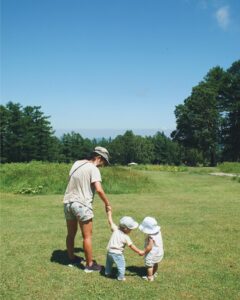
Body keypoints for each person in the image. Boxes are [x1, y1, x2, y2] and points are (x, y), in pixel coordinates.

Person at [63, 146, 112, 272]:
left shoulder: (76, 164)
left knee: (71, 233)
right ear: (98, 157)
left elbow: (70, 180)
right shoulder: (93, 168)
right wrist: (107, 203)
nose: (103, 165)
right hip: (82, 204)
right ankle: (89, 265)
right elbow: (99, 189)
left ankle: (71, 258)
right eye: (104, 162)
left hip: (68, 203)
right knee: (87, 236)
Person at [105, 213, 144, 281]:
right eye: (130, 229)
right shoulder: (125, 237)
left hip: (109, 252)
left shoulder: (116, 229)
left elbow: (110, 221)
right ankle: (121, 277)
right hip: (117, 254)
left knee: (109, 263)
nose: (131, 230)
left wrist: (109, 213)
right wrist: (139, 251)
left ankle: (107, 273)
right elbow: (131, 246)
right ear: (126, 229)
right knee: (121, 266)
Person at [139, 217, 164, 281]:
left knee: (149, 265)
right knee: (155, 263)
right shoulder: (158, 231)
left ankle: (150, 277)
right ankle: (154, 273)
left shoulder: (151, 236)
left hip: (152, 253)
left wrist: (144, 252)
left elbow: (150, 247)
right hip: (159, 251)